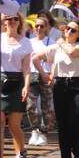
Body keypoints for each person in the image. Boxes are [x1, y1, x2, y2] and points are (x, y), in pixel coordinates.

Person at [34, 19, 79, 158]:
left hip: (78, 85)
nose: (68, 31)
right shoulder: (55, 48)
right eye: (67, 28)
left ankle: (78, 154)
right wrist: (45, 75)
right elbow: (35, 58)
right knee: (63, 124)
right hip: (60, 85)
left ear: (78, 34)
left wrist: (60, 42)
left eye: (73, 30)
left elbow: (72, 52)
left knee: (75, 121)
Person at [0, 12, 32, 158]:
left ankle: (21, 151)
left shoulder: (26, 43)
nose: (11, 22)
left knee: (14, 125)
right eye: (8, 19)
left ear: (19, 22)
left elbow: (26, 68)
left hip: (16, 81)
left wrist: (26, 86)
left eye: (14, 19)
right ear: (3, 22)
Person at [27, 15, 56, 146]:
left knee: (47, 106)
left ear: (46, 28)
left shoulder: (51, 42)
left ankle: (43, 132)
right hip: (33, 75)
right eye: (36, 26)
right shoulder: (29, 42)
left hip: (47, 75)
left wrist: (52, 76)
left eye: (41, 26)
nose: (39, 28)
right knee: (31, 106)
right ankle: (34, 129)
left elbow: (55, 61)